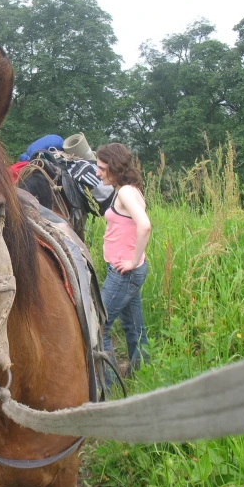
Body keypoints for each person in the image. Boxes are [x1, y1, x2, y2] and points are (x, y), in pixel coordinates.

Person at [95, 143, 151, 387]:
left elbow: (145, 225)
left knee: (100, 326)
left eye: (102, 168)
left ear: (116, 168)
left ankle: (110, 386)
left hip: (124, 273)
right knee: (133, 325)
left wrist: (133, 260)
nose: (98, 173)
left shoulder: (126, 192)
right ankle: (143, 372)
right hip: (127, 271)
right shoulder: (125, 189)